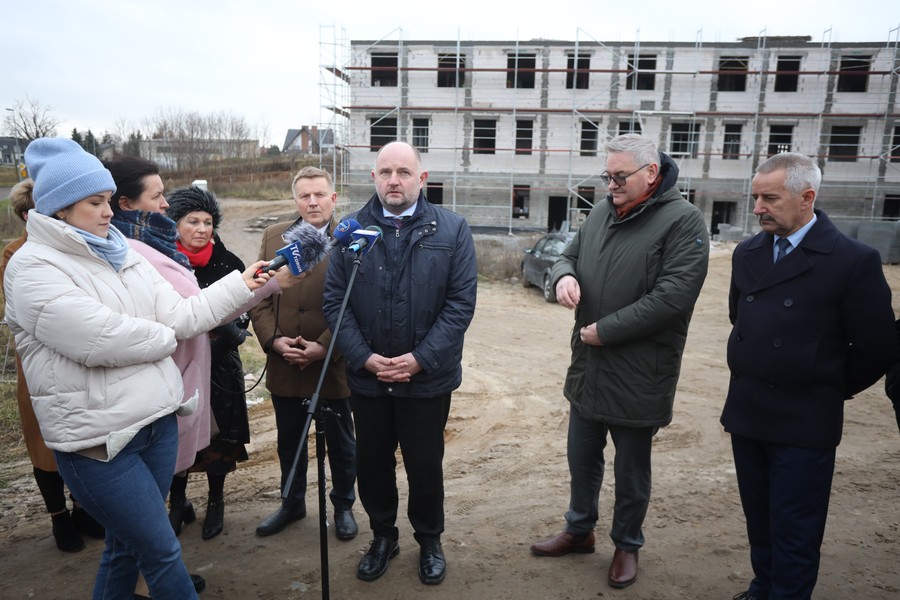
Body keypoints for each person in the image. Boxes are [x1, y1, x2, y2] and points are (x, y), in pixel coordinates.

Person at [2, 137, 273, 599]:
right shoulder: (31, 268)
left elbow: (183, 313)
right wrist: (166, 337)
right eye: (95, 202)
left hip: (156, 423)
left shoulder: (120, 251)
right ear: (61, 208)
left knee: (123, 550)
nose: (109, 212)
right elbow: (101, 340)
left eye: (108, 200)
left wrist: (241, 285)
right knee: (162, 552)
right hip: (99, 442)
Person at [530, 133, 709, 589]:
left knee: (631, 469)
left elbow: (672, 297)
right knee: (581, 457)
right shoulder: (603, 213)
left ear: (651, 174)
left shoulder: (684, 222)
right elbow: (568, 255)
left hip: (638, 372)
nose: (610, 184)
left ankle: (627, 544)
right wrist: (565, 276)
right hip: (588, 366)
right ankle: (579, 529)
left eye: (619, 176)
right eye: (606, 175)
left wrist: (606, 331)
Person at [721, 152, 896, 600]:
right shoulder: (747, 252)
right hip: (749, 413)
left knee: (794, 529)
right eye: (755, 196)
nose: (757, 207)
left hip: (804, 421)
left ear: (807, 198)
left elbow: (877, 347)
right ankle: (763, 588)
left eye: (770, 198)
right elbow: (741, 318)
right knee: (759, 519)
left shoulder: (853, 260)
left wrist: (821, 383)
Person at [323, 141, 478, 585]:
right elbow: (336, 302)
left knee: (424, 464)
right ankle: (383, 537)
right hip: (368, 381)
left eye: (404, 172)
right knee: (371, 464)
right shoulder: (351, 231)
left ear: (421, 179)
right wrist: (364, 358)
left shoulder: (452, 230)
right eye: (386, 172)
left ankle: (429, 540)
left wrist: (420, 359)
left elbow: (460, 304)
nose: (394, 180)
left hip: (427, 381)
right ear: (373, 177)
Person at [248, 166, 359, 540]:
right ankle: (291, 503)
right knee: (288, 442)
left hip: (333, 363)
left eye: (319, 194)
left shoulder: (353, 240)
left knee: (342, 444)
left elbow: (358, 303)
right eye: (304, 195)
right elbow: (257, 296)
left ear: (333, 197)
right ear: (295, 199)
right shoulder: (272, 236)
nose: (312, 202)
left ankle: (343, 506)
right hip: (285, 362)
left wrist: (326, 346)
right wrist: (274, 340)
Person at [1, 179, 105, 553]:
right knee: (43, 445)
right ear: (29, 216)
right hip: (37, 368)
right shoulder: (16, 254)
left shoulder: (72, 248)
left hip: (77, 360)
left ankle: (83, 508)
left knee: (81, 436)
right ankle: (59, 516)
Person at [166, 186, 253, 541]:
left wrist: (224, 330)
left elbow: (245, 311)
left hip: (219, 367)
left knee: (221, 442)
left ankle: (216, 501)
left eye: (207, 222)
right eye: (193, 221)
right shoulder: (165, 262)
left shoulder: (230, 263)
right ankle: (178, 503)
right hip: (179, 366)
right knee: (177, 439)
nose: (202, 229)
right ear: (176, 224)